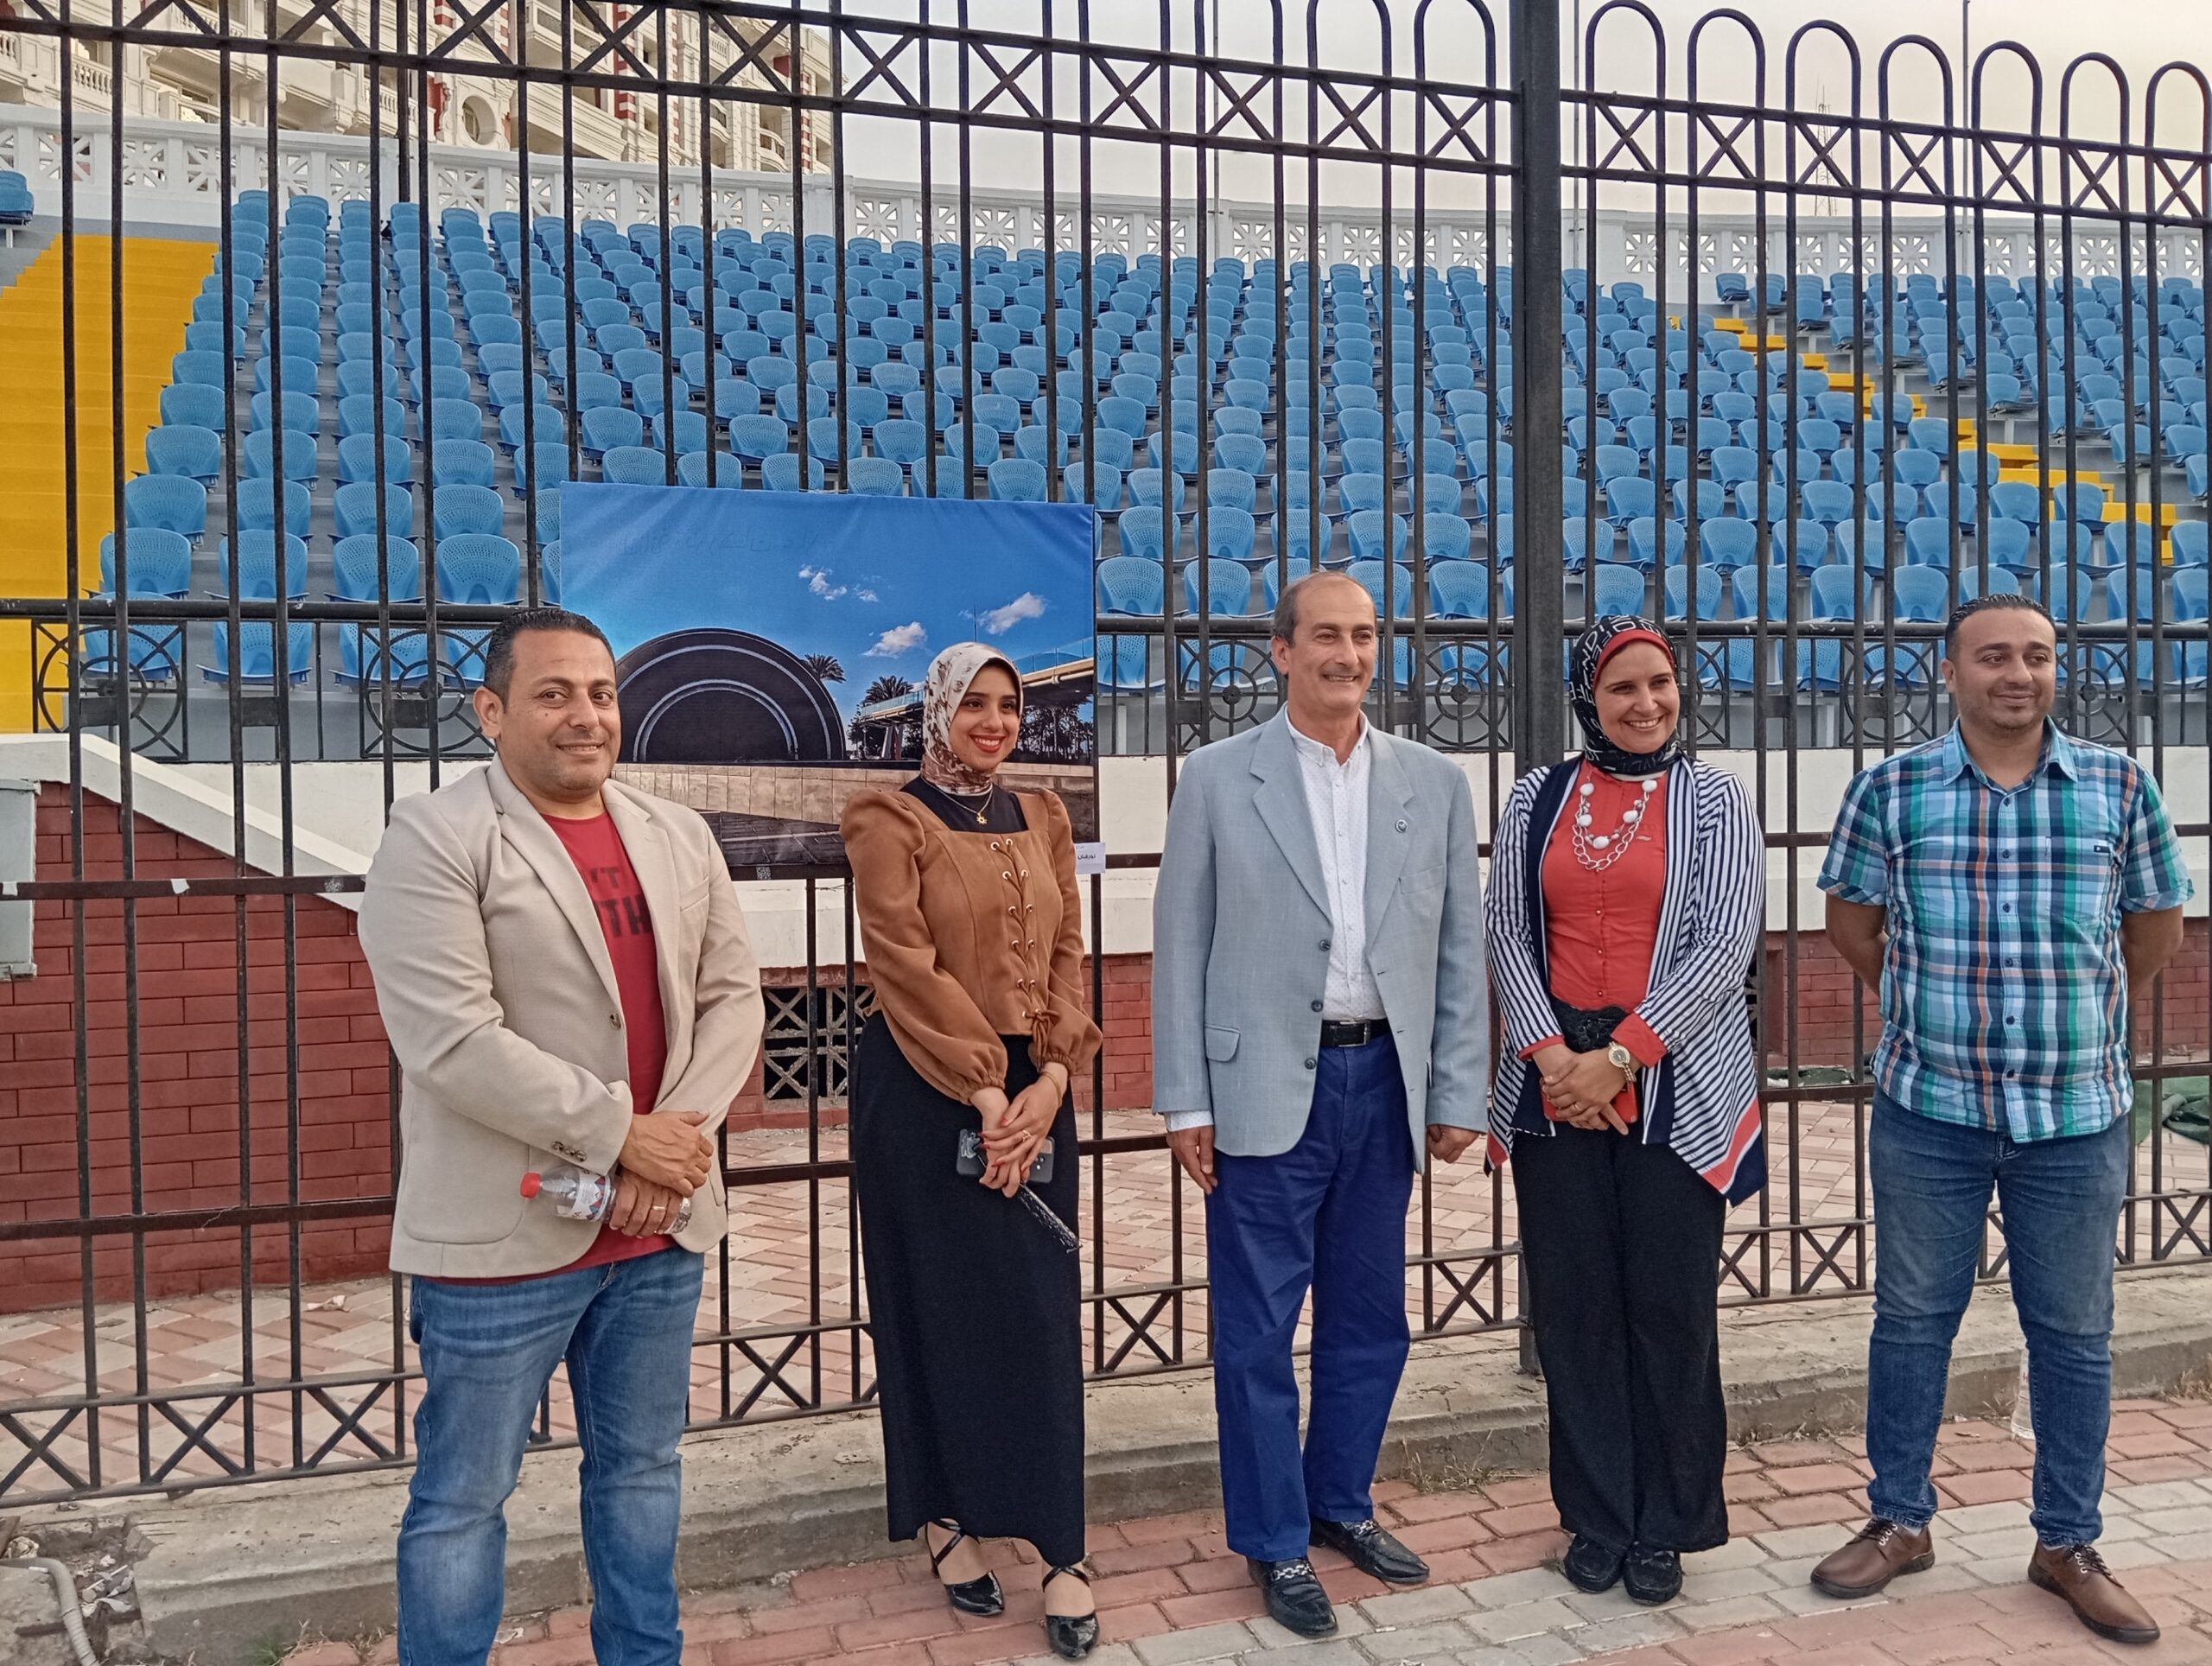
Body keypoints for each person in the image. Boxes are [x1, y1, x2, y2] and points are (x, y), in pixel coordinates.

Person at [358, 607, 765, 1666]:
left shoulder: (676, 832)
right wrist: (623, 1136)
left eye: (600, 692)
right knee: (462, 1498)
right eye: (553, 693)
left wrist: (672, 1144)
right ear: (491, 711)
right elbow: (452, 1040)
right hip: (505, 1240)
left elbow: (733, 998)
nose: (585, 714)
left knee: (641, 1473)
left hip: (658, 1231)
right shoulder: (435, 837)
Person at [1813, 594, 2188, 1647]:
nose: (2016, 673)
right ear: (1949, 672)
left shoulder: (2118, 785)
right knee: (1910, 1322)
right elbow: (1851, 924)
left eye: (2035, 655)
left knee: (2073, 1335)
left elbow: (2154, 928)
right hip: (1930, 1107)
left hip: (2074, 1112)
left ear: (2055, 668)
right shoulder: (1890, 788)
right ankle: (1899, 1519)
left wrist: (2081, 1014)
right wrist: (1929, 1008)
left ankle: (2066, 1540)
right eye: (1992, 656)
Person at [1150, 570, 1489, 1639]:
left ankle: (1340, 1500)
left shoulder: (1434, 783)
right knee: (1255, 1331)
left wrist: (1457, 1088)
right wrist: (1183, 1100)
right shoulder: (1217, 778)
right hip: (1259, 1086)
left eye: (1364, 634)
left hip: (1381, 1081)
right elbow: (1180, 944)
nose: (1348, 654)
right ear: (1282, 650)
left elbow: (1457, 949)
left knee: (1369, 1318)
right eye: (1327, 635)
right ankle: (1273, 1536)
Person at [1483, 615, 1766, 1606]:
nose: (1645, 703)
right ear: (1587, 698)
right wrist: (1555, 1057)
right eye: (1621, 687)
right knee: (1576, 1310)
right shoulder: (1537, 794)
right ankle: (1598, 1514)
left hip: (1672, 1086)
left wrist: (1620, 1058)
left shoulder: (1715, 799)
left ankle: (1666, 1521)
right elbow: (1507, 929)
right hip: (1553, 1085)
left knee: (1668, 1307)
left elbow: (1723, 943)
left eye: (1659, 683)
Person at [840, 643, 1104, 1661]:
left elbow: (1067, 950)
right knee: (937, 1306)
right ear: (938, 710)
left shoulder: (1044, 813)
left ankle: (1061, 1543)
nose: (993, 722)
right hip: (926, 1086)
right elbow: (903, 962)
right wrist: (987, 1089)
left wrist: (1053, 1077)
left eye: (1007, 705)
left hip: (1037, 1088)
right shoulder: (887, 817)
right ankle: (946, 1517)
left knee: (1036, 1312)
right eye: (973, 705)